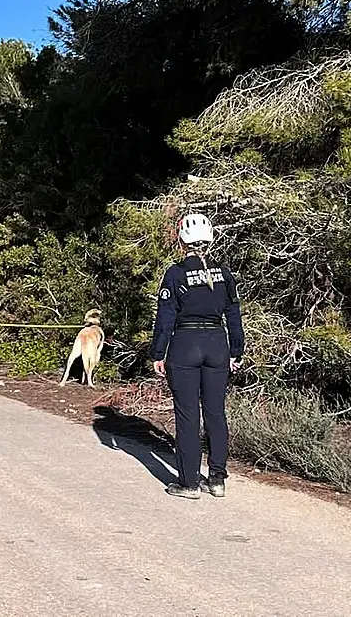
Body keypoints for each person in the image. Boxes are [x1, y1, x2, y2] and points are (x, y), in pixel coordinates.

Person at [150, 213, 244, 500]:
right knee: (215, 412)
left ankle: (189, 482)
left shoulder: (176, 273)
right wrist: (236, 350)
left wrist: (158, 352)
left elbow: (165, 317)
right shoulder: (224, 272)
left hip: (186, 344)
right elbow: (234, 314)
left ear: (181, 240)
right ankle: (217, 479)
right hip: (218, 343)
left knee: (188, 416)